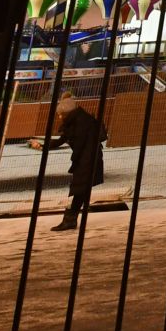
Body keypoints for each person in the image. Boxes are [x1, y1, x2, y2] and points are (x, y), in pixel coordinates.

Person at [51, 96, 106, 231]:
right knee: (81, 191)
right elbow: (62, 139)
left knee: (79, 189)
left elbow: (79, 145)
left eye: (60, 115)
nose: (59, 117)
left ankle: (70, 220)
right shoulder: (76, 120)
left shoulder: (82, 123)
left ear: (67, 113)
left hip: (87, 161)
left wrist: (75, 163)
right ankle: (71, 220)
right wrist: (43, 146)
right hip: (87, 160)